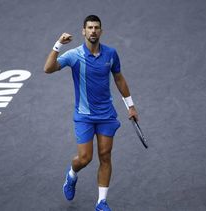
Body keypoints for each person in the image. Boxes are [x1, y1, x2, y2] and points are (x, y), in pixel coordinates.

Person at [43, 15, 138, 211]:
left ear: (100, 31)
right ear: (83, 31)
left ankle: (101, 202)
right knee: (85, 159)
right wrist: (58, 44)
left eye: (96, 28)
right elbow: (48, 69)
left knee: (105, 156)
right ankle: (71, 175)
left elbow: (119, 79)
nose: (93, 31)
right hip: (84, 116)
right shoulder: (74, 55)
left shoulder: (111, 54)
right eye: (90, 28)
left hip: (106, 115)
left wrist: (130, 105)